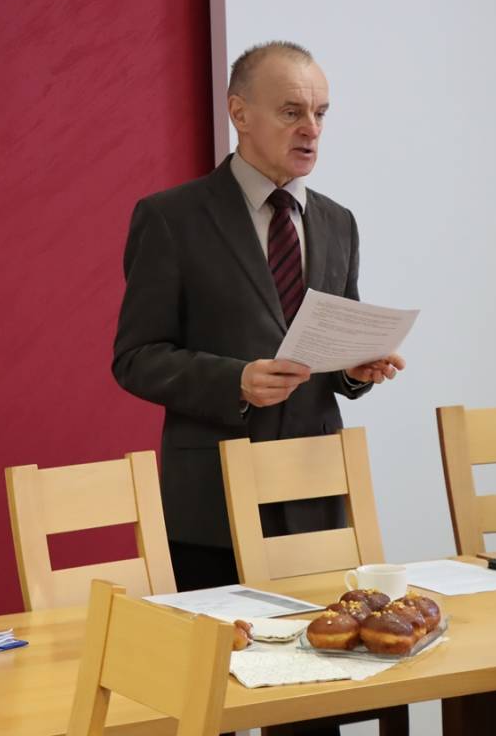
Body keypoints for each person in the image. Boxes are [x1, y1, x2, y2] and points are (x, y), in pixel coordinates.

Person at [113, 42, 406, 592]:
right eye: (292, 112)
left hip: (316, 495)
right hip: (213, 508)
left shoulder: (338, 222)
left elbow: (329, 343)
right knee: (223, 647)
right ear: (240, 113)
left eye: (320, 113)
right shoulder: (171, 218)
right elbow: (136, 358)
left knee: (328, 644)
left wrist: (352, 370)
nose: (311, 130)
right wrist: (236, 381)